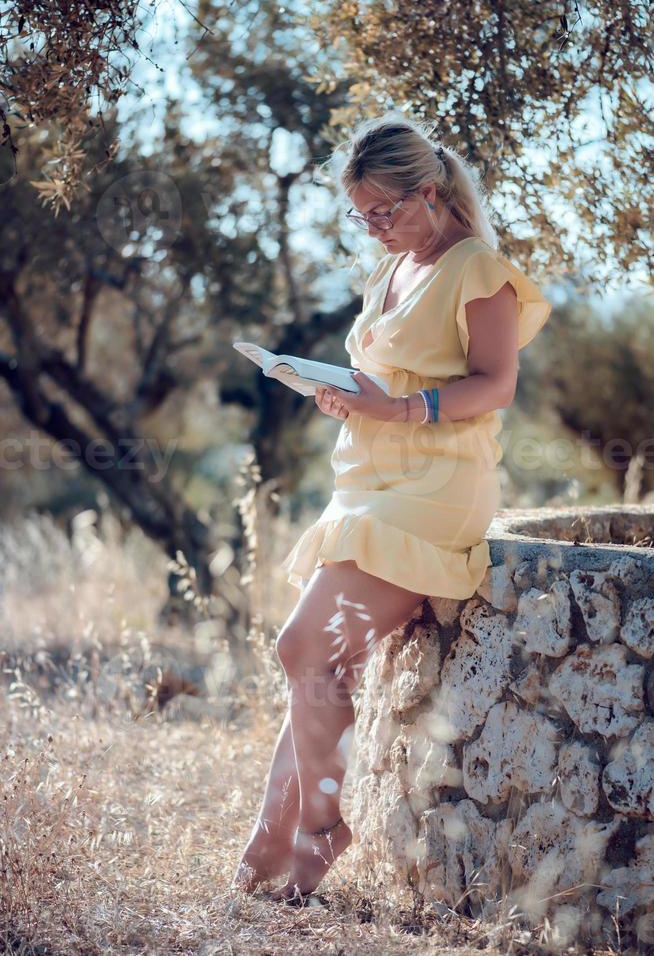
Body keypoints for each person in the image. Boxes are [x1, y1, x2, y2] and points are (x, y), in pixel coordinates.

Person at [231, 113, 552, 904]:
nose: (372, 228)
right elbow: (382, 380)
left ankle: (321, 828)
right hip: (368, 483)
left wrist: (404, 411)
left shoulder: (476, 268)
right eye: (361, 215)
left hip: (436, 490)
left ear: (430, 191)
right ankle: (271, 846)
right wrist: (341, 397)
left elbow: (496, 382)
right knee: (319, 662)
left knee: (303, 648)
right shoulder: (389, 271)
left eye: (384, 211)